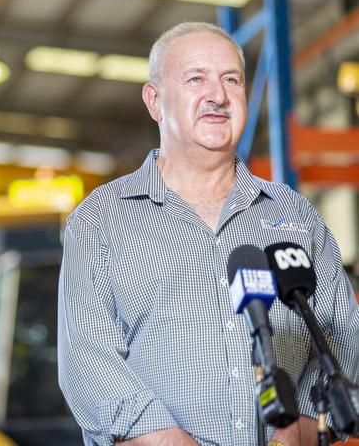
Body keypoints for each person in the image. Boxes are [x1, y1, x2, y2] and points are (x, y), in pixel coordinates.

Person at [57, 22, 359, 446]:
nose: (217, 95)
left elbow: (343, 337)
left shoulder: (294, 215)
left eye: (231, 80)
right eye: (196, 78)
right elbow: (88, 363)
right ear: (155, 101)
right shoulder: (101, 221)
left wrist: (294, 433)